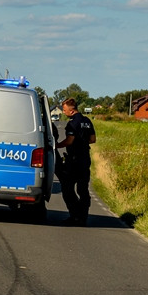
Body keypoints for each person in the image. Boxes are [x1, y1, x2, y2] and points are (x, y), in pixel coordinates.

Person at [55, 97, 96, 226]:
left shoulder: (72, 124)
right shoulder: (87, 121)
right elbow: (93, 139)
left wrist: (56, 146)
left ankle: (74, 215)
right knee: (83, 189)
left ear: (72, 111)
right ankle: (83, 217)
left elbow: (69, 141)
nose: (63, 112)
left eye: (65, 110)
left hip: (74, 161)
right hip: (85, 159)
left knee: (67, 189)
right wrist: (82, 142)